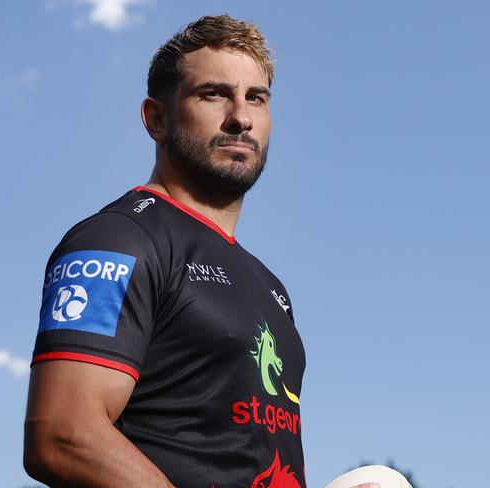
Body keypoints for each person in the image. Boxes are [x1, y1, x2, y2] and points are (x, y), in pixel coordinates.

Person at [24, 14, 308, 487]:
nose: (240, 117)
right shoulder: (117, 241)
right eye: (213, 93)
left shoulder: (271, 288)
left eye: (255, 97)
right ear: (156, 118)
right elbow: (63, 434)